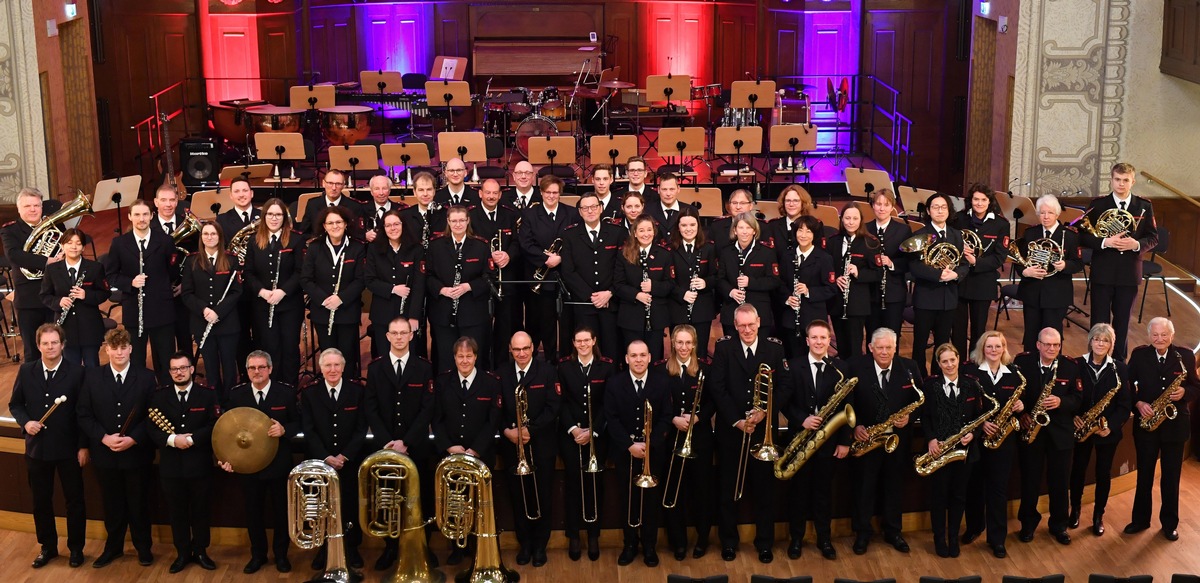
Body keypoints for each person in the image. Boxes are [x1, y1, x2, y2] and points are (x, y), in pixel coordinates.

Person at [709, 304, 787, 563]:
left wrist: (765, 411)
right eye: (741, 325)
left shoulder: (774, 348)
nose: (746, 330)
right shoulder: (723, 348)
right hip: (733, 431)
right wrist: (737, 421)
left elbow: (785, 387)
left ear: (759, 322)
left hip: (763, 431)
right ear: (734, 325)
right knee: (727, 490)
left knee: (765, 491)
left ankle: (765, 543)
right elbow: (717, 388)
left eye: (750, 325)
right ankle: (729, 542)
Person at [7, 323, 87, 568]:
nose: (50, 347)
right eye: (45, 343)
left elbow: (84, 413)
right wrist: (26, 422)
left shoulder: (77, 373)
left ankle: (76, 548)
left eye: (54, 342)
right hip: (37, 449)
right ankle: (48, 547)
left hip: (68, 449)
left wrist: (83, 447)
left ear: (62, 345)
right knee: (41, 501)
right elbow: (16, 404)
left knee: (75, 501)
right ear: (38, 345)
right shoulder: (26, 370)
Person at [77, 328, 158, 568]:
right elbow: (83, 414)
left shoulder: (146, 377)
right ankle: (113, 548)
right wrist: (103, 438)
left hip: (137, 453)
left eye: (124, 347)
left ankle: (144, 548)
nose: (119, 352)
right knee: (111, 504)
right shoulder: (92, 377)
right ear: (106, 349)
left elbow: (153, 416)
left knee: (139, 502)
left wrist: (134, 439)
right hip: (105, 453)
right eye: (115, 348)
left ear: (131, 349)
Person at [364, 317, 435, 571]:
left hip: (414, 446)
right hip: (386, 448)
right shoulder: (375, 368)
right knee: (388, 497)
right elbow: (370, 408)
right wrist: (388, 442)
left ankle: (423, 545)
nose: (398, 337)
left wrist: (406, 441)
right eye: (394, 333)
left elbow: (428, 408)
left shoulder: (424, 368)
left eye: (403, 333)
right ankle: (391, 547)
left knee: (420, 496)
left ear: (411, 335)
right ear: (386, 336)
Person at [220, 351, 299, 574]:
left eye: (261, 367)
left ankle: (282, 555)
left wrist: (285, 430)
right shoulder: (237, 395)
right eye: (252, 368)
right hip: (248, 466)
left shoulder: (286, 392)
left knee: (281, 512)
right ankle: (258, 555)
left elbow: (298, 423)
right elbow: (227, 430)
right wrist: (225, 460)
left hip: (278, 464)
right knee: (253, 512)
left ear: (270, 369)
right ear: (247, 371)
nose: (257, 372)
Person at [848, 327, 922, 555]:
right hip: (868, 438)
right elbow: (847, 402)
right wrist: (856, 425)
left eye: (889, 347)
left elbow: (921, 400)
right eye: (879, 347)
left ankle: (893, 531)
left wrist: (910, 417)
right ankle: (862, 532)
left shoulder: (910, 368)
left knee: (894, 486)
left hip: (897, 441)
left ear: (895, 348)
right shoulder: (855, 366)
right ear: (870, 348)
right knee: (864, 487)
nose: (884, 352)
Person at [1124, 317, 1198, 541]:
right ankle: (1140, 520)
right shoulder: (1139, 355)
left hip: (1175, 426)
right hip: (1147, 425)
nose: (1159, 339)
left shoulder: (1184, 355)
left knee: (1171, 477)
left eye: (1164, 335)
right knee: (1144, 475)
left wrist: (1185, 393)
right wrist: (1137, 403)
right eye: (1155, 335)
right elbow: (1126, 386)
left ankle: (1169, 524)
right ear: (1149, 336)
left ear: (1172, 335)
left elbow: (1196, 386)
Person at [430, 337, 501, 565]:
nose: (464, 360)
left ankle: (479, 545)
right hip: (451, 454)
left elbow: (493, 420)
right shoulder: (442, 382)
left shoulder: (490, 383)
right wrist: (450, 447)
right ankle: (456, 547)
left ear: (476, 357)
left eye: (468, 356)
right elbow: (436, 418)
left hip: (480, 455)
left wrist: (476, 450)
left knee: (481, 504)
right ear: (454, 357)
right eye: (460, 356)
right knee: (454, 501)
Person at [781, 320, 847, 561]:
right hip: (800, 439)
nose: (819, 342)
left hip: (827, 442)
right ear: (807, 340)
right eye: (815, 338)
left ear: (829, 341)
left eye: (824, 338)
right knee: (798, 492)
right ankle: (796, 539)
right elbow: (784, 402)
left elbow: (845, 407)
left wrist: (844, 441)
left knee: (823, 493)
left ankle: (824, 539)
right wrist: (802, 420)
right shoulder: (793, 366)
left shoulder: (839, 368)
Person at [147, 352, 219, 573]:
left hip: (200, 465)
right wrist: (172, 440)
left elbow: (215, 425)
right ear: (170, 373)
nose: (179, 372)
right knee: (176, 512)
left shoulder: (207, 395)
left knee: (201, 510)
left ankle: (201, 551)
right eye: (174, 369)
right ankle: (182, 553)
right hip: (171, 467)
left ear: (191, 370)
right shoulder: (159, 397)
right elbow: (151, 428)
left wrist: (192, 439)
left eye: (183, 368)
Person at [605, 339, 673, 567]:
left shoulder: (662, 382)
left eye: (642, 355)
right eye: (633, 355)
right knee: (628, 501)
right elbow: (611, 419)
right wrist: (629, 445)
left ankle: (650, 547)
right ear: (626, 359)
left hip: (652, 452)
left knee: (651, 503)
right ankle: (630, 545)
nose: (638, 360)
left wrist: (650, 444)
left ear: (650, 357)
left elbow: (665, 417)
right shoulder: (614, 383)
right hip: (626, 452)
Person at [1081, 162, 1158, 359]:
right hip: (1103, 271)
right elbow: (1083, 236)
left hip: (1129, 273)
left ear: (1133, 181)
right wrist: (1106, 241)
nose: (1121, 184)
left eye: (1125, 180)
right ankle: (1094, 360)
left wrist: (1137, 245)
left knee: (1122, 321)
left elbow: (1153, 237)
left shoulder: (1143, 206)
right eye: (1117, 180)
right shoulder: (1098, 205)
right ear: (1111, 180)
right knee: (1099, 321)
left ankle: (1118, 363)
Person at [300, 348, 368, 569]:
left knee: (350, 505)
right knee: (321, 507)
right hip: (321, 463)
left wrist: (345, 455)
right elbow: (309, 431)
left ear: (343, 366)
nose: (332, 370)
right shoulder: (310, 394)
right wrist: (326, 456)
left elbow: (361, 429)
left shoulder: (357, 391)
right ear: (320, 368)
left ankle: (351, 548)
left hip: (349, 461)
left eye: (337, 365)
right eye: (328, 365)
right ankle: (324, 549)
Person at [1014, 327, 1082, 545]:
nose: (1052, 349)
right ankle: (1027, 525)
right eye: (1047, 345)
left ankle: (1059, 525)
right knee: (1030, 481)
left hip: (1060, 433)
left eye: (1056, 345)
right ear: (1038, 345)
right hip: (1032, 431)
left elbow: (1078, 398)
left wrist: (1062, 402)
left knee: (1060, 482)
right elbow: (1016, 393)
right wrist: (1023, 413)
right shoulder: (1023, 362)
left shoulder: (1070, 366)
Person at [498, 331, 560, 566]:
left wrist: (530, 430)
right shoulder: (502, 373)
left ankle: (540, 545)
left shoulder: (547, 371)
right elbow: (496, 409)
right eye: (517, 350)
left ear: (533, 347)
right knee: (518, 495)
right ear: (510, 350)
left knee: (543, 494)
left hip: (541, 443)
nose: (521, 354)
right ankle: (524, 544)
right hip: (512, 443)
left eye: (525, 349)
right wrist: (507, 431)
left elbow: (553, 407)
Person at [961, 330, 1025, 558]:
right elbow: (964, 405)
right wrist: (982, 424)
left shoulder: (1015, 374)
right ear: (982, 349)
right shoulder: (970, 372)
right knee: (974, 486)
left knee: (998, 490)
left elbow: (1021, 400)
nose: (993, 351)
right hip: (977, 439)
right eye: (989, 347)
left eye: (998, 346)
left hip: (1003, 441)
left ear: (1004, 348)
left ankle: (997, 539)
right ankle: (974, 527)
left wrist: (1020, 407)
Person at [921, 343, 986, 559]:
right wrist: (931, 440)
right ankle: (939, 539)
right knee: (938, 497)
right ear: (938, 364)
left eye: (953, 360)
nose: (950, 364)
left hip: (964, 452)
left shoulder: (972, 385)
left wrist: (973, 435)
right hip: (939, 450)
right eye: (945, 361)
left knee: (959, 497)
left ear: (959, 359)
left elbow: (979, 418)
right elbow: (926, 417)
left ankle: (953, 538)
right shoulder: (930, 387)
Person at [557, 326, 615, 562]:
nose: (582, 344)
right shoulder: (563, 367)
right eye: (578, 341)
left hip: (597, 436)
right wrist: (573, 429)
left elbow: (608, 403)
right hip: (571, 435)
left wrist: (592, 431)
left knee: (595, 485)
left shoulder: (607, 366)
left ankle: (593, 535)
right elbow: (561, 402)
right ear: (573, 343)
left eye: (586, 340)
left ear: (594, 341)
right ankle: (573, 536)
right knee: (573, 485)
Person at [1069, 323, 1132, 538]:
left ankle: (1098, 516)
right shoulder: (1076, 364)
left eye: (1105, 340)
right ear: (1090, 341)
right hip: (1081, 427)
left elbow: (1125, 405)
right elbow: (1069, 395)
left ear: (1111, 344)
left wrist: (1110, 426)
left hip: (1106, 431)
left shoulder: (1120, 369)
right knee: (1077, 470)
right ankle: (1075, 510)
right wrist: (1074, 416)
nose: (1100, 343)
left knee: (1103, 474)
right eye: (1097, 339)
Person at [104, 198, 177, 381]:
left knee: (165, 358)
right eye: (137, 214)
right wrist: (130, 283)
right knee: (136, 359)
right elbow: (111, 275)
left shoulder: (166, 241)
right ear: (129, 216)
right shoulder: (119, 243)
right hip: (134, 311)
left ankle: (165, 397)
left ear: (151, 216)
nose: (141, 218)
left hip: (162, 309)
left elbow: (172, 271)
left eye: (145, 214)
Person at [658, 325, 714, 560]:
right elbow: (657, 401)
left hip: (699, 439)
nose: (683, 347)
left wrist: (698, 417)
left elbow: (714, 401)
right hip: (671, 439)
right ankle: (678, 542)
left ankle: (702, 540)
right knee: (674, 493)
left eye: (687, 343)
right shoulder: (661, 371)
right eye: (678, 343)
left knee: (701, 493)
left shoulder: (706, 370)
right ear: (672, 343)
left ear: (694, 344)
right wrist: (672, 418)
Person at [242, 198, 305, 386]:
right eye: (270, 214)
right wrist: (261, 291)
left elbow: (300, 272)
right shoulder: (254, 240)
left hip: (289, 304)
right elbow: (248, 272)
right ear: (264, 216)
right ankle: (272, 389)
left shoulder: (296, 239)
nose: (274, 218)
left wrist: (283, 291)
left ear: (284, 217)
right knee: (269, 348)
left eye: (278, 214)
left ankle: (289, 390)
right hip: (262, 305)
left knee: (289, 348)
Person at [908, 192, 969, 376]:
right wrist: (939, 274)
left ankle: (937, 379)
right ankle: (919, 380)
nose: (940, 211)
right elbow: (915, 266)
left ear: (949, 210)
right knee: (919, 343)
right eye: (935, 207)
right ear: (928, 210)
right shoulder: (920, 234)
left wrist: (955, 275)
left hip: (948, 299)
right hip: (926, 297)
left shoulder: (956, 235)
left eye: (943, 207)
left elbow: (964, 264)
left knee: (943, 344)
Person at [301, 206, 367, 378]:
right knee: (328, 354)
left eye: (338, 222)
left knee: (348, 355)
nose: (334, 226)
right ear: (324, 226)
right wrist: (324, 299)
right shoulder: (314, 248)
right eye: (330, 223)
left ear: (346, 224)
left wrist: (341, 299)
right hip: (322, 311)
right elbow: (306, 279)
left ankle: (349, 394)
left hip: (348, 310)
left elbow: (361, 279)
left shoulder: (357, 248)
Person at [519, 175, 580, 358]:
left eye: (555, 193)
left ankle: (565, 357)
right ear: (541, 193)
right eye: (548, 192)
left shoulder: (571, 213)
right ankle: (547, 358)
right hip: (540, 276)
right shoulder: (530, 215)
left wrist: (560, 258)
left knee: (566, 321)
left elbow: (577, 241)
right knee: (543, 321)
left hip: (565, 275)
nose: (552, 196)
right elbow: (525, 243)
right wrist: (546, 258)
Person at [427, 206, 494, 371]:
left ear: (468, 221)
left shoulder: (481, 246)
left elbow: (489, 277)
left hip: (473, 313)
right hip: (443, 313)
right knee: (445, 360)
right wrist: (442, 290)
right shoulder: (435, 246)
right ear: (448, 222)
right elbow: (427, 276)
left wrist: (468, 286)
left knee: (474, 359)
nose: (458, 224)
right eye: (454, 221)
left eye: (462, 220)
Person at [561, 192, 626, 360]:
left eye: (594, 206)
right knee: (586, 352)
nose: (590, 211)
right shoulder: (569, 235)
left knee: (612, 351)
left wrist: (609, 293)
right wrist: (592, 297)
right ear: (580, 212)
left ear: (601, 208)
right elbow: (568, 271)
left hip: (611, 303)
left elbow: (623, 268)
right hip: (584, 305)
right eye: (585, 208)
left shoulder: (618, 233)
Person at [1015, 194, 1083, 352]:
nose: (1046, 217)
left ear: (1057, 214)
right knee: (1031, 334)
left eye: (1050, 213)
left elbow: (1078, 263)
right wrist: (1026, 271)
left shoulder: (1070, 236)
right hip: (1032, 291)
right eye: (1042, 213)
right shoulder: (1030, 233)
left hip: (1057, 293)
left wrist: (1065, 265)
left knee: (1052, 336)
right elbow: (1019, 260)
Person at [181, 222, 242, 395]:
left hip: (228, 323)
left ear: (220, 237)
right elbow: (186, 293)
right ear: (201, 238)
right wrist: (204, 310)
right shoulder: (191, 261)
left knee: (230, 366)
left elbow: (237, 292)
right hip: (202, 323)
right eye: (206, 234)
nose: (209, 237)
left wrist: (218, 311)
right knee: (210, 366)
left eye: (213, 234)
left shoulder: (231, 259)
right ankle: (215, 403)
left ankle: (230, 403)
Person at [950, 184, 1010, 355]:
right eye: (976, 199)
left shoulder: (1001, 224)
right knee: (958, 328)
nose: (979, 203)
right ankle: (959, 364)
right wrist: (961, 252)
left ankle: (974, 365)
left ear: (989, 201)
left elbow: (999, 257)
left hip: (983, 283)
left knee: (979, 328)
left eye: (984, 200)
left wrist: (976, 261)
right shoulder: (959, 219)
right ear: (970, 201)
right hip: (960, 280)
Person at [469, 178, 522, 365]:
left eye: (495, 193)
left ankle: (501, 366)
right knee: (481, 327)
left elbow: (517, 242)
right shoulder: (471, 216)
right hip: (481, 279)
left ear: (500, 195)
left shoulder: (510, 214)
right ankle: (482, 365)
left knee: (504, 327)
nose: (491, 196)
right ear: (480, 193)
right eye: (487, 192)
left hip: (505, 280)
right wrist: (488, 256)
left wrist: (508, 255)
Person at [0, 187, 57, 360]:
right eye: (27, 206)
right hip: (28, 299)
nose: (32, 209)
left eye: (36, 205)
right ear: (19, 209)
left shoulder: (55, 227)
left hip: (54, 296)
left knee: (57, 347)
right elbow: (15, 255)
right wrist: (47, 261)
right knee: (32, 352)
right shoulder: (10, 230)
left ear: (42, 207)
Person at [40, 228, 109, 366]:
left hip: (90, 327)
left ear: (83, 247)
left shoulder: (95, 267)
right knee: (71, 370)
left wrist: (86, 295)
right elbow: (44, 295)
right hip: (65, 328)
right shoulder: (52, 269)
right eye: (69, 243)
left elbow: (105, 293)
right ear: (62, 246)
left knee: (92, 368)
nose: (74, 247)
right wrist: (59, 301)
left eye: (78, 243)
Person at [365, 210, 425, 361]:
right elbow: (369, 280)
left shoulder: (416, 249)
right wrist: (392, 289)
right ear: (383, 228)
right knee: (385, 357)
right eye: (388, 225)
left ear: (403, 225)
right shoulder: (374, 249)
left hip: (407, 313)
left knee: (409, 358)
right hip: (382, 313)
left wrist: (414, 316)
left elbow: (419, 285)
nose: (393, 228)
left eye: (396, 224)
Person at [614, 215, 674, 362]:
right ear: (634, 233)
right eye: (641, 230)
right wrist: (636, 295)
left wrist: (654, 287)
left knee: (654, 359)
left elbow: (671, 284)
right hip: (631, 316)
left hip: (656, 317)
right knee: (634, 358)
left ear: (654, 232)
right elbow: (618, 284)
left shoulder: (665, 254)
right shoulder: (624, 253)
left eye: (649, 230)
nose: (645, 234)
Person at [777, 216, 837, 358]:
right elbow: (780, 283)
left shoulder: (824, 258)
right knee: (792, 356)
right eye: (800, 230)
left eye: (808, 231)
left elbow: (831, 288)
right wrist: (787, 298)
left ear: (814, 235)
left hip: (814, 317)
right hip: (791, 317)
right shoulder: (787, 256)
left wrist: (809, 291)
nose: (803, 235)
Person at [828, 205, 881, 359]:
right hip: (837, 301)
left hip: (858, 303)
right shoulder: (833, 242)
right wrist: (836, 278)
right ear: (841, 219)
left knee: (854, 346)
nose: (851, 222)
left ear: (861, 220)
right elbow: (826, 268)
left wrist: (859, 273)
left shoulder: (869, 242)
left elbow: (878, 274)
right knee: (841, 345)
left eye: (855, 218)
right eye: (847, 218)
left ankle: (856, 378)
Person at [717, 212, 780, 338]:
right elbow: (719, 279)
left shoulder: (767, 252)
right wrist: (731, 292)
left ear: (754, 231)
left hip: (759, 311)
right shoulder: (725, 252)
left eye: (748, 227)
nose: (744, 232)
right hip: (731, 311)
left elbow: (774, 281)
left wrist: (750, 282)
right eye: (740, 228)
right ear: (734, 230)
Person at [668, 208, 718, 358]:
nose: (688, 229)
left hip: (702, 309)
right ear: (678, 227)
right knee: (679, 353)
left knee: (700, 351)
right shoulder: (670, 249)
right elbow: (666, 280)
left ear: (698, 226)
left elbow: (717, 276)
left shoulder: (708, 248)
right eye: (684, 225)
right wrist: (682, 293)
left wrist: (705, 283)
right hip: (678, 308)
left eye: (692, 225)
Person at [152, 185, 195, 358]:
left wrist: (186, 284)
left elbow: (195, 258)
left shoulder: (189, 225)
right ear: (156, 202)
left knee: (185, 337)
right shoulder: (148, 226)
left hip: (182, 291)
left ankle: (188, 377)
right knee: (160, 342)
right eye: (163, 200)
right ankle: (163, 381)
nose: (168, 204)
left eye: (172, 200)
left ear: (177, 201)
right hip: (157, 293)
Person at [866, 189, 912, 337]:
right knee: (872, 336)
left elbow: (908, 262)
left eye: (886, 204)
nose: (881, 208)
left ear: (892, 207)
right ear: (873, 206)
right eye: (878, 204)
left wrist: (891, 263)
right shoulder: (865, 229)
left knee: (892, 336)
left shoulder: (903, 230)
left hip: (894, 293)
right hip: (870, 293)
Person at [299, 168, 365, 235]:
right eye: (330, 183)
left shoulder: (354, 206)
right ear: (323, 183)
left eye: (338, 184)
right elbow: (304, 232)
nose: (334, 188)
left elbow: (356, 235)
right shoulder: (312, 204)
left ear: (343, 185)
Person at [399, 171, 448, 251]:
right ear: (414, 192)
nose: (425, 194)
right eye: (421, 190)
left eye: (429, 189)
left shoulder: (446, 214)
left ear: (434, 191)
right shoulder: (404, 215)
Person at [765, 184, 817, 258]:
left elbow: (819, 255)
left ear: (803, 203)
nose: (791, 204)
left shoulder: (814, 225)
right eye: (788, 201)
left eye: (796, 201)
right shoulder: (772, 226)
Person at [706, 189, 756, 259]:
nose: (738, 207)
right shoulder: (717, 226)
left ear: (751, 206)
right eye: (734, 203)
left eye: (742, 203)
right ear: (729, 205)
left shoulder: (761, 226)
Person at [215, 177, 261, 249]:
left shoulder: (264, 216)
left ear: (252, 193)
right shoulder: (222, 220)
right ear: (231, 196)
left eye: (245, 190)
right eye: (236, 191)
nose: (241, 195)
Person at [644, 175, 693, 241]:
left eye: (672, 189)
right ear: (658, 190)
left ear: (678, 189)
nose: (668, 194)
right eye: (664, 189)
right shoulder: (647, 210)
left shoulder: (690, 210)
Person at [362, 174, 404, 243]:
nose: (381, 193)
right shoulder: (362, 209)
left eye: (384, 188)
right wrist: (364, 236)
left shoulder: (400, 210)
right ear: (371, 192)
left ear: (389, 191)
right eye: (377, 189)